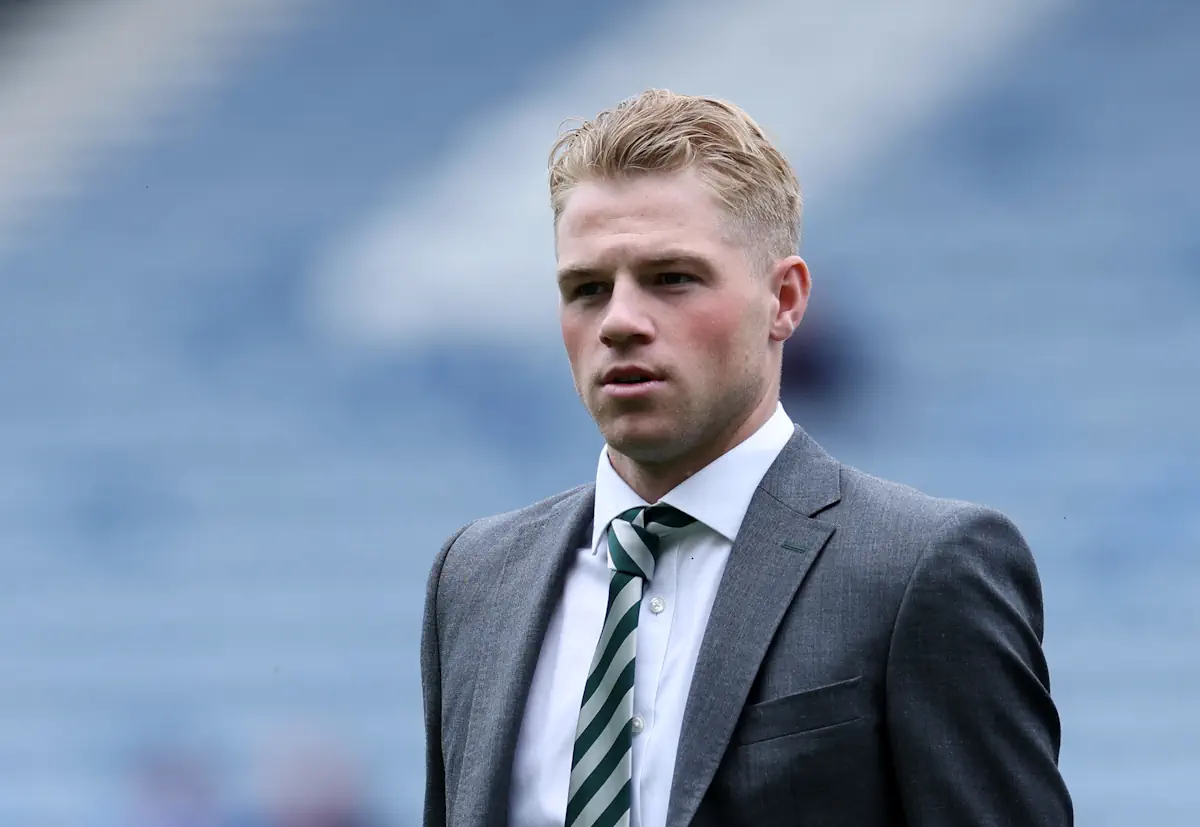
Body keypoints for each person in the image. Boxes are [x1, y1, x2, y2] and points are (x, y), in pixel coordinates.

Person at [420, 89, 1072, 827]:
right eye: (587, 288)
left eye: (672, 278)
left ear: (785, 299)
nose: (621, 322)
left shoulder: (921, 568)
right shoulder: (475, 580)